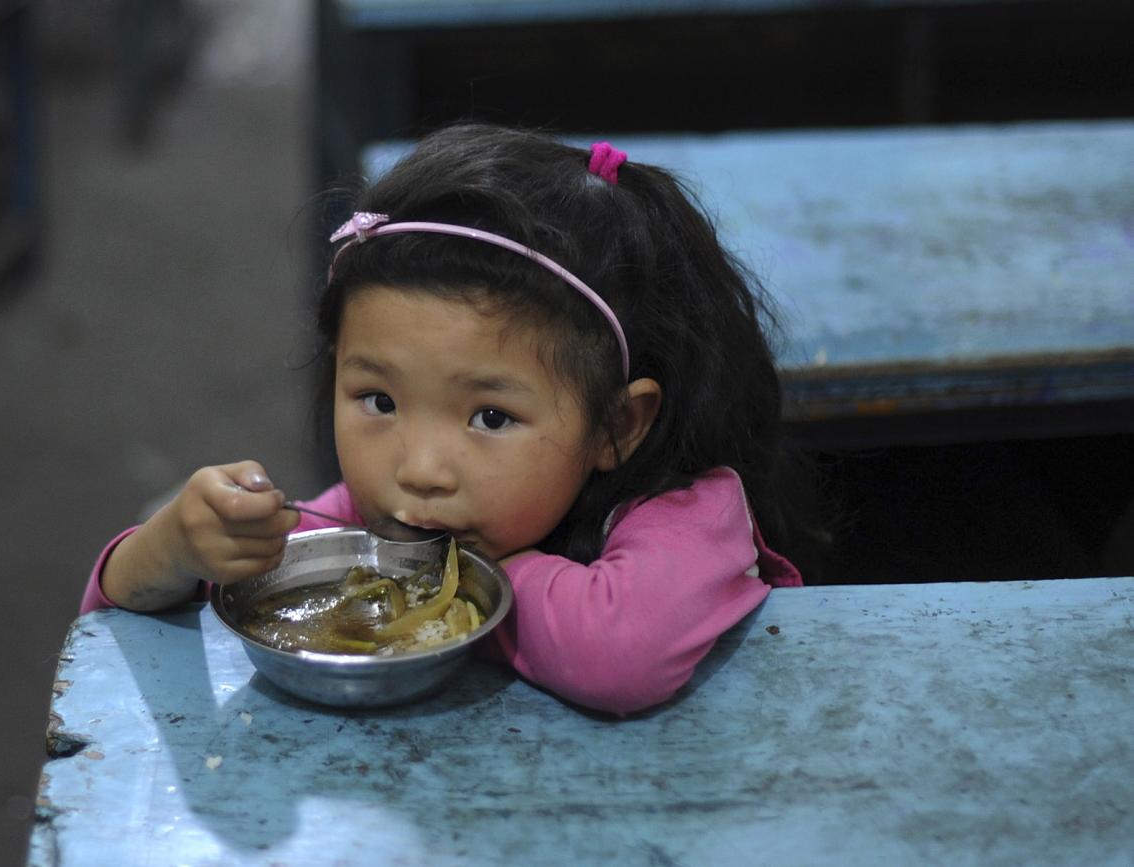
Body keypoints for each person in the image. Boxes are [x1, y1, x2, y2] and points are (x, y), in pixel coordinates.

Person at [81, 123, 822, 715]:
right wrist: (174, 546)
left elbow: (619, 654)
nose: (420, 469)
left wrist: (455, 592)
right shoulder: (388, 522)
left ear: (617, 427)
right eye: (379, 401)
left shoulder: (691, 510)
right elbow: (113, 622)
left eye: (491, 416)